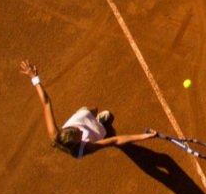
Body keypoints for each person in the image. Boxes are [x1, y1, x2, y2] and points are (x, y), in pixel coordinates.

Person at [20, 59, 156, 158]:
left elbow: (46, 103)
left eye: (76, 129)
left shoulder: (55, 135)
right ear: (79, 142)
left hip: (81, 117)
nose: (80, 129)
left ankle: (98, 119)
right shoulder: (87, 148)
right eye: (80, 133)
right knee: (108, 119)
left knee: (93, 109)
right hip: (95, 133)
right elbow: (116, 140)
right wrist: (145, 136)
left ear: (64, 130)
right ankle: (103, 126)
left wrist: (34, 78)